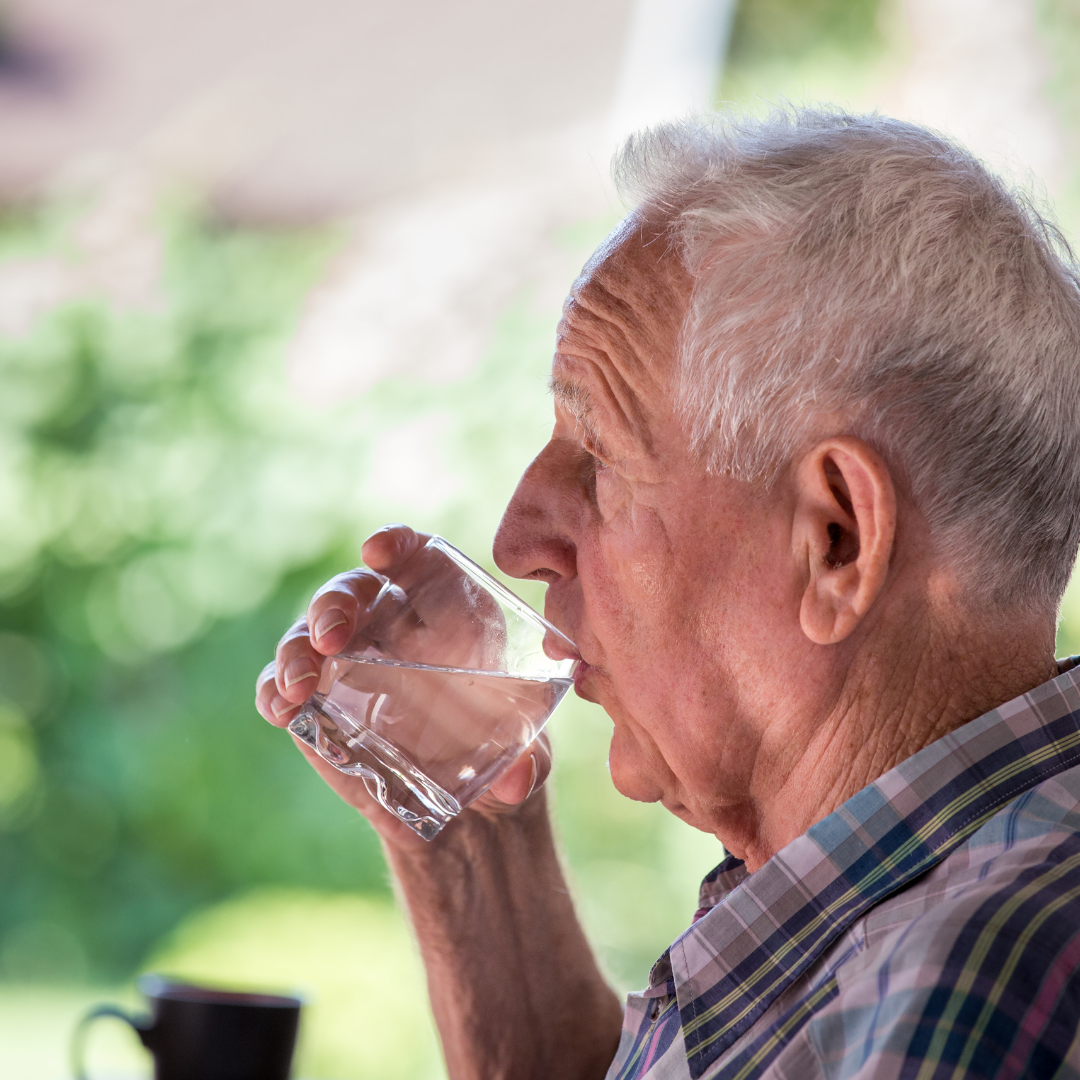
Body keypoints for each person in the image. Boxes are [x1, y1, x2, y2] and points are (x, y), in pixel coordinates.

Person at [256, 107, 1080, 1080]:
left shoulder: (974, 980)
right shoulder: (898, 906)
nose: (518, 539)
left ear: (836, 542)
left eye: (598, 457)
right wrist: (469, 839)